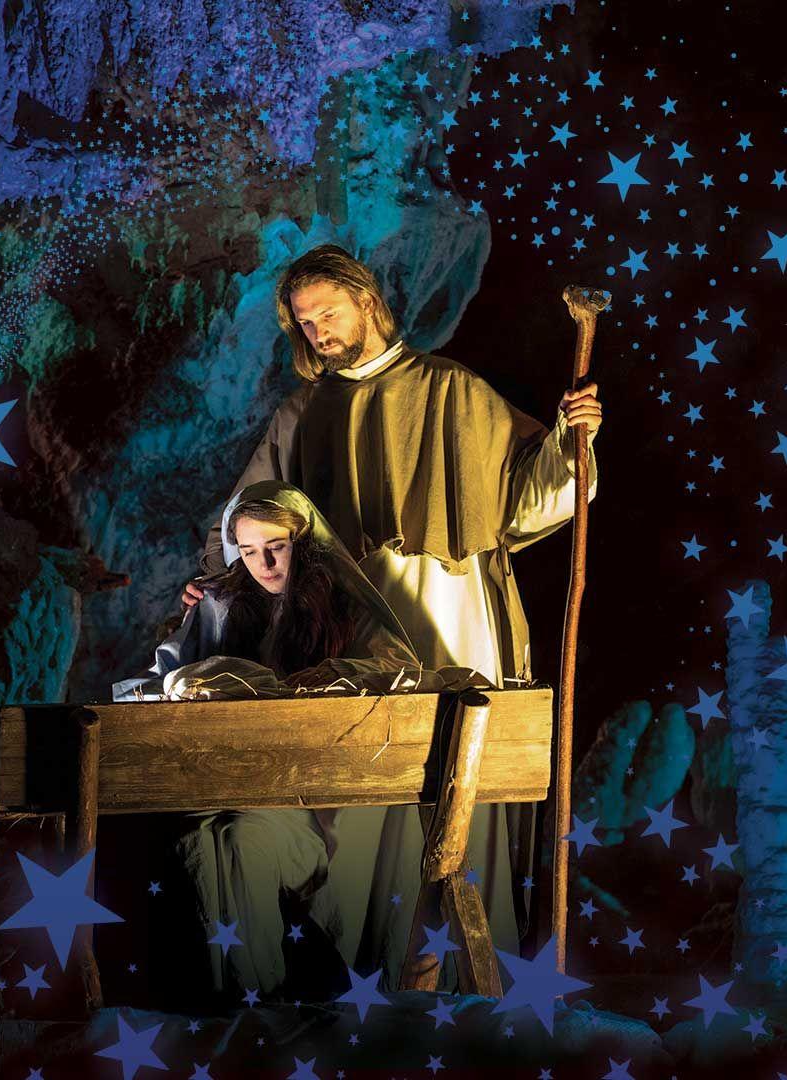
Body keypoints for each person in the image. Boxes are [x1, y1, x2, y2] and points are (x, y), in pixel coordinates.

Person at [180, 243, 602, 991]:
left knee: (450, 787)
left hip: (450, 617)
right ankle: (374, 981)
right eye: (304, 323)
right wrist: (219, 577)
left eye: (328, 314)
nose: (317, 332)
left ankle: (451, 977)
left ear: (367, 301)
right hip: (347, 631)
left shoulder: (452, 390)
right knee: (360, 798)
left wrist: (574, 447)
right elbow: (251, 515)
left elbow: (529, 498)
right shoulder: (303, 412)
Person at [117, 480, 427, 1002]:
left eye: (276, 547)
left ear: (303, 543)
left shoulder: (345, 606)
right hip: (227, 785)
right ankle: (225, 999)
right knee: (192, 840)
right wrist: (179, 683)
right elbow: (167, 671)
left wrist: (322, 681)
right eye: (249, 551)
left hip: (311, 800)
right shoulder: (222, 604)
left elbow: (397, 669)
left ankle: (258, 997)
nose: (263, 565)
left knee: (244, 841)